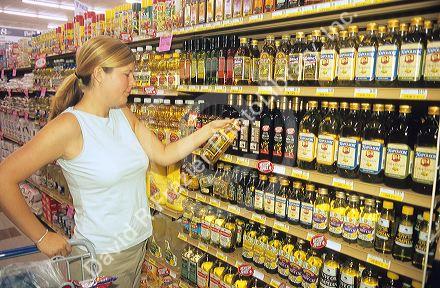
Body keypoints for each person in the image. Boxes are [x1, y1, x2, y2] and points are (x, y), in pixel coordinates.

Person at [0, 36, 232, 287]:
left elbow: (164, 154)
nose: (133, 82)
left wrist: (208, 131)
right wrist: (42, 236)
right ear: (99, 74)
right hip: (101, 256)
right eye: (127, 74)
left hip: (137, 245)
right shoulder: (69, 126)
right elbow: (4, 178)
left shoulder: (122, 114)